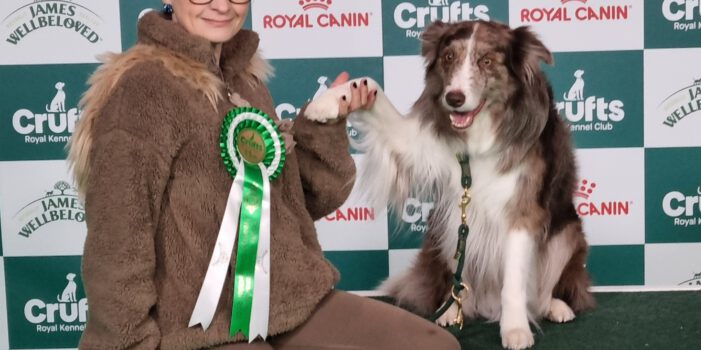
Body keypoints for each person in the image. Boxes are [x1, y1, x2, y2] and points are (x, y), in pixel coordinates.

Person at [66, 0, 461, 349]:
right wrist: (128, 343)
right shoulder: (142, 89)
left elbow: (297, 202)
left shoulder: (246, 82)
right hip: (196, 324)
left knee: (435, 345)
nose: (222, 5)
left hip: (286, 300)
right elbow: (117, 240)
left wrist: (322, 124)